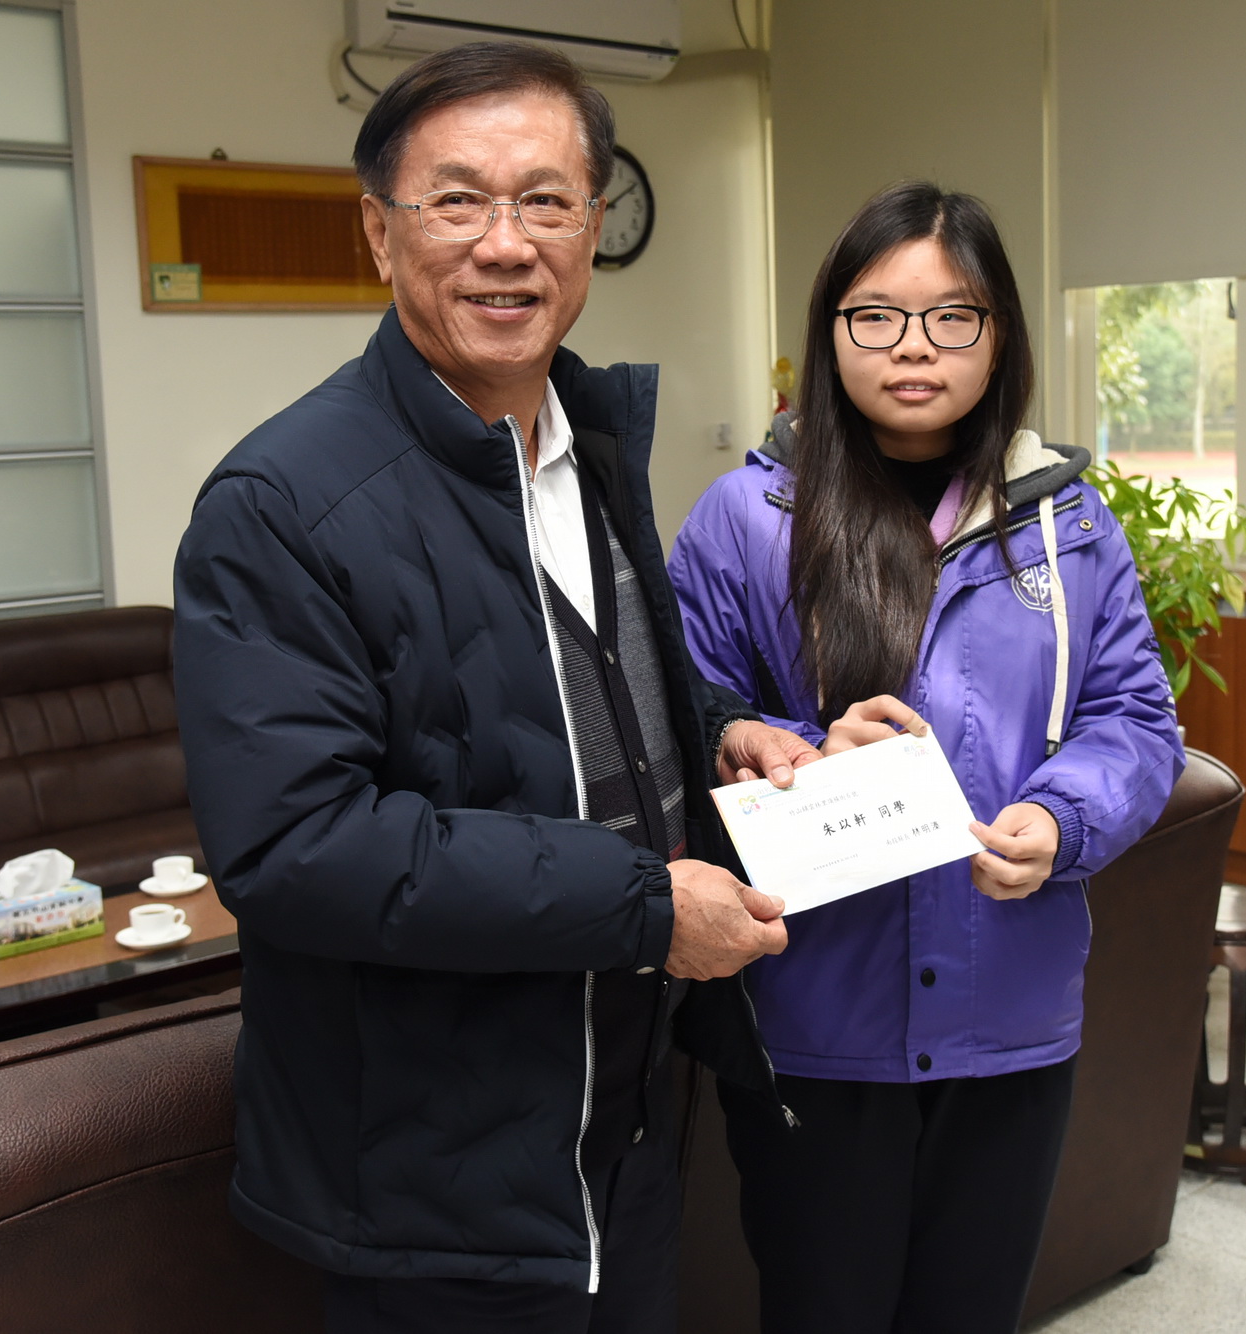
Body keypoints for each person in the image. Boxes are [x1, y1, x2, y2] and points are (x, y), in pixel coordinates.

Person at [170, 40, 820, 1334]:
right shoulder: (281, 504)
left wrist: (726, 735)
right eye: (458, 199)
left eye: (545, 199)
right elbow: (297, 845)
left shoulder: (596, 449)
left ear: (592, 226)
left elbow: (592, 696)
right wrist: (644, 906)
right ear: (379, 230)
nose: (505, 243)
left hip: (623, 1118)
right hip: (432, 1174)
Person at [666, 181, 1184, 1334]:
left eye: (952, 316)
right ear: (827, 330)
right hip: (814, 1018)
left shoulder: (1069, 521)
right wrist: (801, 747)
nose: (913, 347)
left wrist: (1061, 817)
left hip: (1010, 1013)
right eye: (874, 314)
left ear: (997, 335)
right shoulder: (744, 518)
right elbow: (674, 715)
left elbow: (1135, 720)